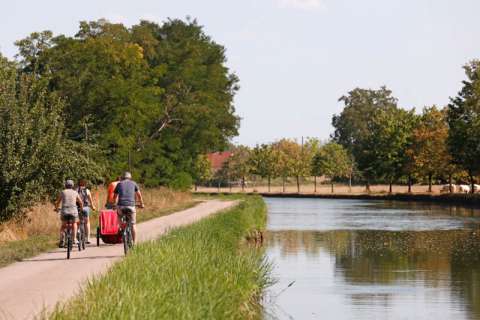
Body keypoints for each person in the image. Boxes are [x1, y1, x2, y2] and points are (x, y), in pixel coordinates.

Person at [113, 172, 144, 243]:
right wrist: (142, 203)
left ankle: (122, 226)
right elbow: (139, 195)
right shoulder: (134, 183)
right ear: (130, 178)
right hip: (131, 206)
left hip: (121, 206)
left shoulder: (119, 184)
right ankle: (135, 243)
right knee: (133, 224)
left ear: (122, 178)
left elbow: (114, 196)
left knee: (119, 215)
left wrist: (114, 205)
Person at [55, 180, 83, 247]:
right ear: (72, 186)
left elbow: (57, 202)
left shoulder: (63, 192)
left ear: (65, 185)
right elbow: (81, 202)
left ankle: (62, 240)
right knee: (74, 223)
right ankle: (74, 239)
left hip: (64, 211)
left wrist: (56, 208)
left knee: (63, 226)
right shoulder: (75, 192)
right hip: (73, 211)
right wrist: (81, 209)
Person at [77, 179, 96, 244]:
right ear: (85, 184)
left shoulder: (76, 190)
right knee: (87, 221)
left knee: (77, 221)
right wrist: (93, 206)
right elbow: (90, 201)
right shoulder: (87, 190)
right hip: (85, 207)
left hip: (77, 208)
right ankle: (87, 238)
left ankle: (77, 234)